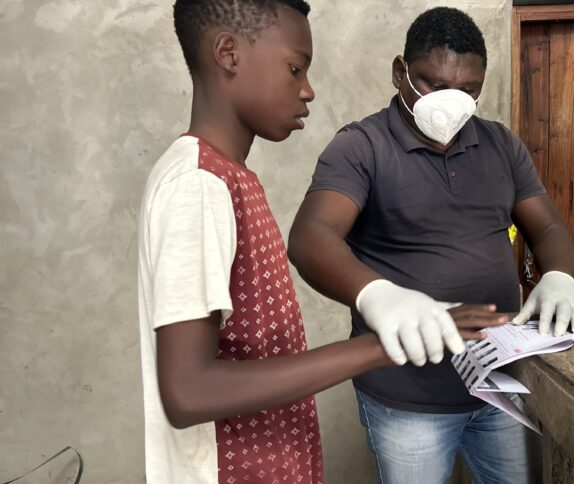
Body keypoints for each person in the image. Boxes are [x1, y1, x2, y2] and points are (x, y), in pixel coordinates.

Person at [137, 2, 506, 482]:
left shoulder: (231, 178)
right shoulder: (198, 184)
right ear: (228, 53)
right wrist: (383, 345)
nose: (308, 91)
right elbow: (189, 392)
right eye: (295, 69)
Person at [288, 6, 574, 483]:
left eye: (469, 89)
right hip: (407, 399)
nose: (451, 101)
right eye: (433, 84)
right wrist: (377, 293)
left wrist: (559, 276)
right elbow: (312, 238)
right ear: (399, 73)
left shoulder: (501, 146)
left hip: (501, 385)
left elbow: (547, 227)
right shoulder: (361, 147)